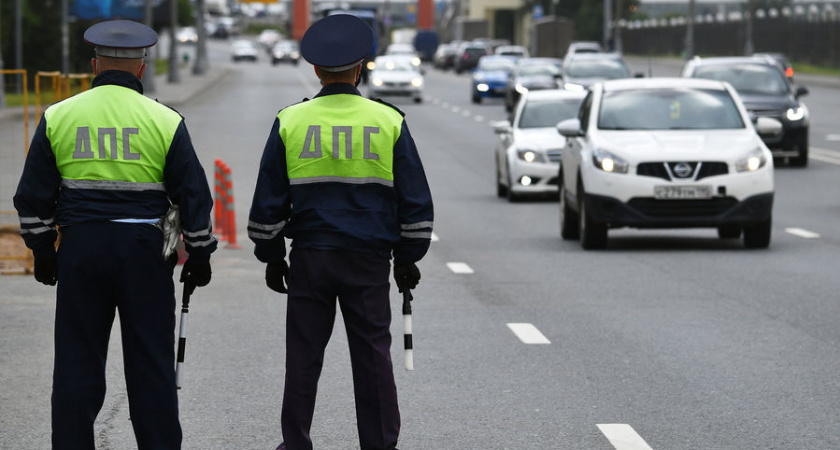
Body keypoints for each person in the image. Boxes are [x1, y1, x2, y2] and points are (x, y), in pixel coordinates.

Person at [13, 20, 217, 449]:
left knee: (76, 364)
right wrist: (199, 254)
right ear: (141, 68)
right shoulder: (165, 120)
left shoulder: (60, 115)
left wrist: (43, 251)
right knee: (151, 366)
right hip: (144, 253)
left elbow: (32, 196)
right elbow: (193, 195)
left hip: (81, 250)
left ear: (93, 66)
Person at [247, 14, 434, 450]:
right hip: (368, 261)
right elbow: (415, 199)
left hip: (311, 258)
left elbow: (269, 201)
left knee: (303, 359)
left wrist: (272, 255)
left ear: (315, 70)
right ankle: (379, 444)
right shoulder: (388, 121)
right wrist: (408, 257)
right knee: (372, 359)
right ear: (362, 66)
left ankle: (295, 443)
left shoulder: (291, 121)